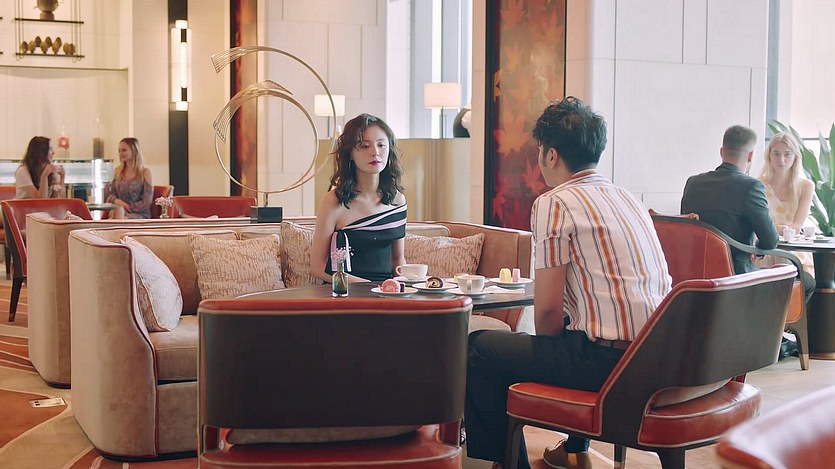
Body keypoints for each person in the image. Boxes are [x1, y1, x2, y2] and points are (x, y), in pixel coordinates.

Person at [465, 97, 672, 469]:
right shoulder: (628, 199)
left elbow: (546, 314)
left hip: (609, 365)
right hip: (659, 358)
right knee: (575, 331)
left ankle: (508, 464)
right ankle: (574, 447)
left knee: (479, 348)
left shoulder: (555, 203)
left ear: (551, 155)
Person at [309, 113, 407, 283]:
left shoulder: (397, 200)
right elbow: (317, 268)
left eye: (381, 145)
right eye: (364, 146)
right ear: (350, 153)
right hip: (345, 291)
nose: (375, 152)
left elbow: (397, 260)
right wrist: (369, 287)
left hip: (387, 293)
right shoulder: (333, 201)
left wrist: (406, 286)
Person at [680, 125, 779, 274]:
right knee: (806, 280)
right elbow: (770, 241)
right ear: (750, 156)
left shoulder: (693, 183)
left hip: (695, 273)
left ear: (721, 152)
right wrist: (757, 249)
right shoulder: (751, 187)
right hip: (735, 275)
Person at [758, 132, 815, 274]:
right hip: (766, 248)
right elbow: (757, 224)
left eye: (787, 154)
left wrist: (777, 229)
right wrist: (778, 229)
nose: (781, 160)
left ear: (795, 156)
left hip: (794, 250)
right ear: (769, 156)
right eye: (776, 154)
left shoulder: (806, 186)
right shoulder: (758, 185)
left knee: (786, 259)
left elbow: (797, 226)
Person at [103, 138, 153, 219]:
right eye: (119, 151)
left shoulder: (145, 172)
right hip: (118, 209)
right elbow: (109, 194)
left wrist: (127, 207)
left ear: (134, 151)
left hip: (138, 213)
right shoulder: (117, 171)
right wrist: (117, 201)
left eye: (124, 150)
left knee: (117, 214)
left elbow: (147, 201)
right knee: (116, 212)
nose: (120, 153)